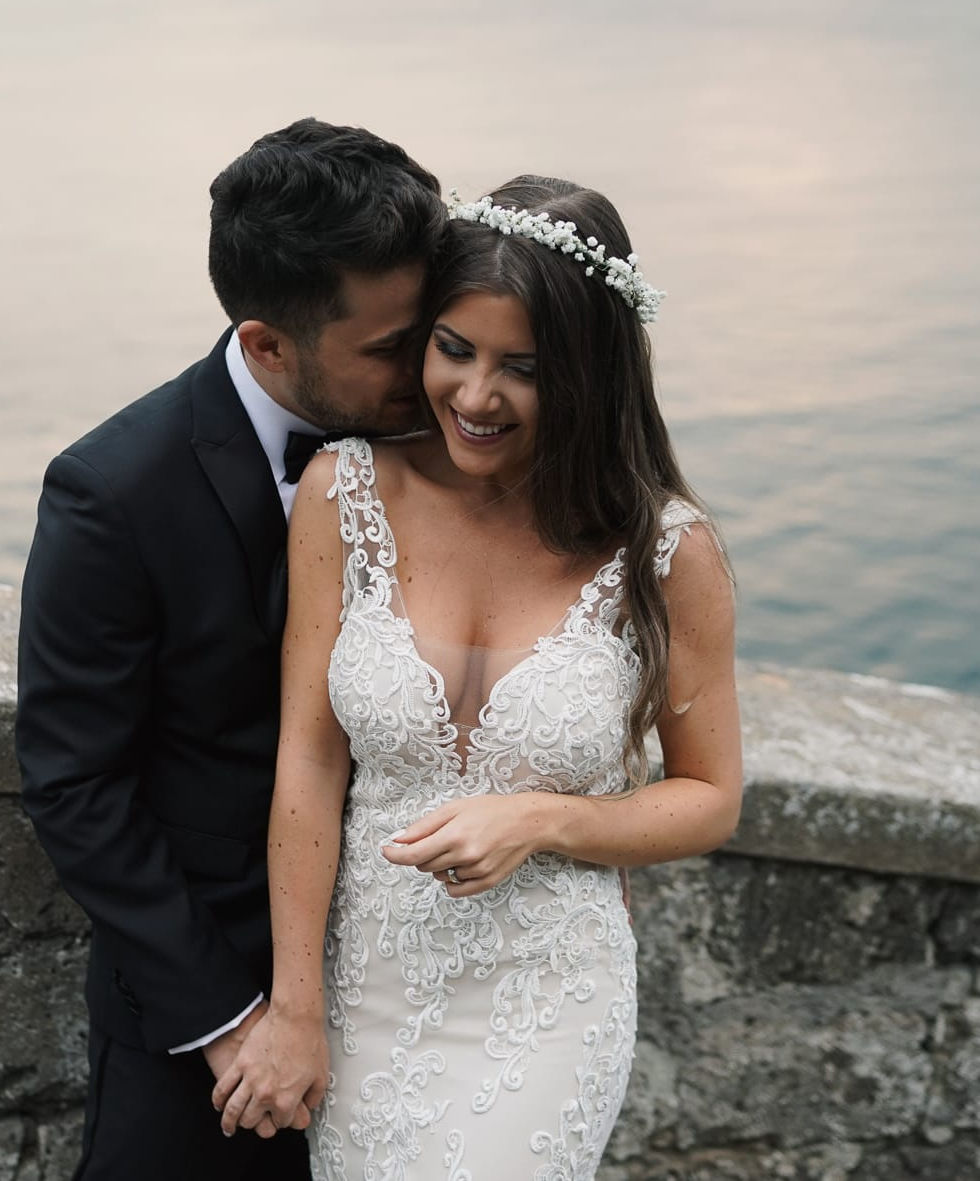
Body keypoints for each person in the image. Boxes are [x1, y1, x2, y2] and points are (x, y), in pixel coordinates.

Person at [212, 176, 743, 1178]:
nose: (474, 394)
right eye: (453, 349)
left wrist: (544, 819)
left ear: (587, 373)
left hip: (546, 995)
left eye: (522, 368)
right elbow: (308, 765)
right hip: (365, 982)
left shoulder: (665, 554)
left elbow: (709, 797)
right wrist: (295, 1007)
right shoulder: (344, 491)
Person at [15, 118, 446, 1181]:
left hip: (416, 994)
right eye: (393, 348)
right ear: (266, 343)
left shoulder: (454, 448)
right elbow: (75, 785)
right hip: (202, 1022)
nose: (432, 373)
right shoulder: (110, 492)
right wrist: (231, 1026)